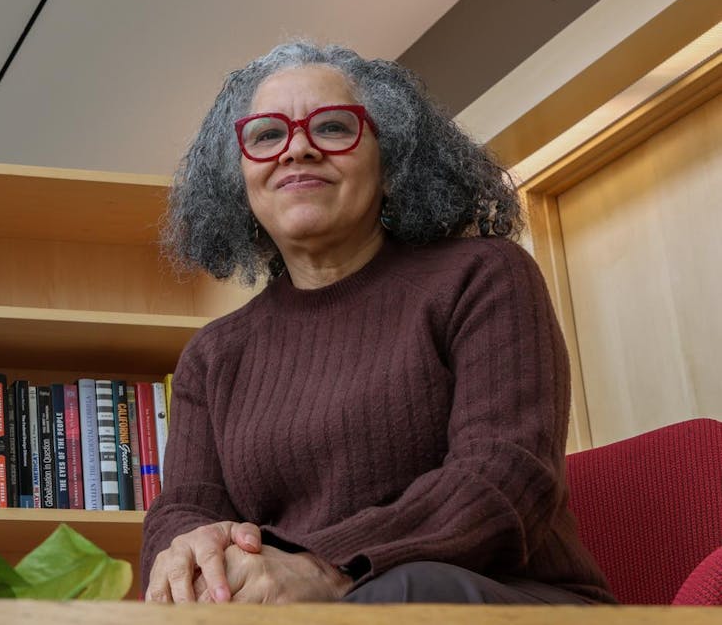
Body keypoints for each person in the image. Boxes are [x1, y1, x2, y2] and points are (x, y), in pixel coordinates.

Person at [142, 41, 614, 605]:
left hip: (505, 600)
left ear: (392, 164)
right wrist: (193, 558)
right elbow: (183, 509)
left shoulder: (485, 276)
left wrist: (321, 566)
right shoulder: (213, 355)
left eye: (334, 128)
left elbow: (502, 478)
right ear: (239, 183)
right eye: (267, 136)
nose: (297, 150)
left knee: (387, 600)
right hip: (299, 613)